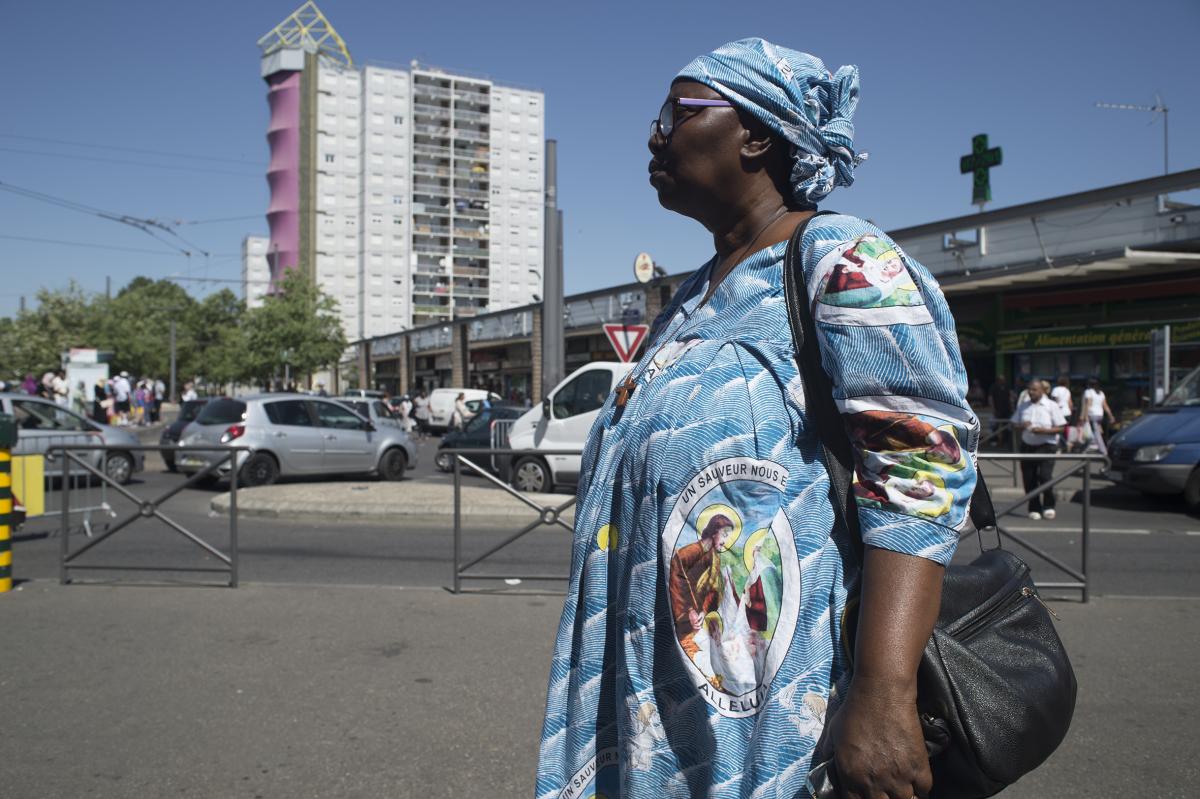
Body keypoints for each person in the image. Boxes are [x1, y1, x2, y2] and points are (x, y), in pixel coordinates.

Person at [536, 40, 979, 799]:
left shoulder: (843, 258)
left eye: (679, 112)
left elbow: (920, 469)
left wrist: (883, 691)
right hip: (656, 703)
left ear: (757, 135)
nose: (656, 134)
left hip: (776, 717)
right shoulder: (689, 302)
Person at [1012, 380, 1068, 520]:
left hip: (1046, 445)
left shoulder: (1051, 406)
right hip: (1027, 445)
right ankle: (1034, 507)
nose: (1031, 392)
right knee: (1029, 478)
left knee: (1044, 476)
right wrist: (1021, 425)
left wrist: (1044, 430)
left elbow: (1061, 427)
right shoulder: (1023, 406)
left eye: (1034, 390)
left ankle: (1049, 505)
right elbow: (1013, 424)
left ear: (1042, 391)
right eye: (1029, 389)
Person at [1082, 378, 1116, 457]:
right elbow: (1105, 406)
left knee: (1096, 433)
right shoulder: (1101, 393)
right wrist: (1111, 415)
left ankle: (1103, 450)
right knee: (1096, 431)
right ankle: (1087, 448)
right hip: (1100, 414)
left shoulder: (1088, 392)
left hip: (1092, 414)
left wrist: (1085, 416)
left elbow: (1088, 404)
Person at [989, 375, 1014, 447]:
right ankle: (994, 441)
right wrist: (993, 408)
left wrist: (1012, 407)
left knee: (1006, 426)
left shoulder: (1007, 386)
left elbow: (1010, 397)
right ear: (998, 380)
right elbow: (990, 398)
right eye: (1001, 380)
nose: (1002, 381)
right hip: (997, 410)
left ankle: (1006, 442)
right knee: (995, 426)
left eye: (1003, 380)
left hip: (1007, 409)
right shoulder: (993, 387)